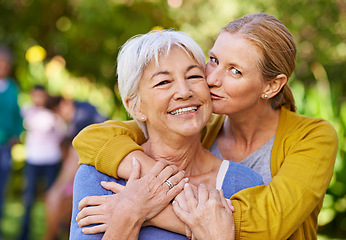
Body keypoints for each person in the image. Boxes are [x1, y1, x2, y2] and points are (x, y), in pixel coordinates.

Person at [73, 13, 338, 239]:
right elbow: (95, 138)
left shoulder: (312, 137)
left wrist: (141, 210)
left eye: (235, 71)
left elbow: (267, 223)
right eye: (213, 60)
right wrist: (157, 183)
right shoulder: (197, 123)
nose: (212, 79)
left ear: (271, 86)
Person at [69, 30, 263, 239]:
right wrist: (130, 213)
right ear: (135, 107)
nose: (184, 91)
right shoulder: (98, 177)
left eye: (194, 76)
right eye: (163, 82)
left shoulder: (244, 182)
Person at [43, 96, 108, 240]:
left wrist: (57, 188)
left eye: (58, 113)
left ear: (64, 104)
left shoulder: (81, 118)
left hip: (100, 171)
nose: (61, 117)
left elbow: (73, 159)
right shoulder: (84, 110)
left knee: (56, 198)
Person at [19, 85, 66, 240]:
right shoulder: (27, 111)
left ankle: (52, 233)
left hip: (51, 160)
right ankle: (24, 235)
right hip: (33, 159)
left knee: (52, 198)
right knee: (28, 199)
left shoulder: (54, 114)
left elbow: (63, 133)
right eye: (35, 95)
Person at [0, 45, 23, 237]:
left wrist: (16, 135)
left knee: (2, 186)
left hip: (4, 146)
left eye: (5, 63)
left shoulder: (12, 88)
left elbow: (18, 116)